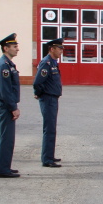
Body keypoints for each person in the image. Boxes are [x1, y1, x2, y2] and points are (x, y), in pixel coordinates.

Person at [0, 33, 21, 178]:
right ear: (6, 48)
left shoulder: (7, 63)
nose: (17, 49)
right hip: (5, 106)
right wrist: (13, 108)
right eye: (14, 47)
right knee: (6, 138)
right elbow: (5, 90)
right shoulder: (4, 65)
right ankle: (2, 169)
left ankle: (5, 166)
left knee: (8, 138)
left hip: (7, 105)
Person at [33, 37, 64, 168]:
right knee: (49, 129)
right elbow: (38, 82)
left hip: (53, 98)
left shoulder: (53, 62)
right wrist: (40, 94)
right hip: (48, 99)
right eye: (59, 48)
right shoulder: (46, 63)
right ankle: (47, 159)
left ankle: (50, 155)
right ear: (52, 49)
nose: (61, 51)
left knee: (52, 129)